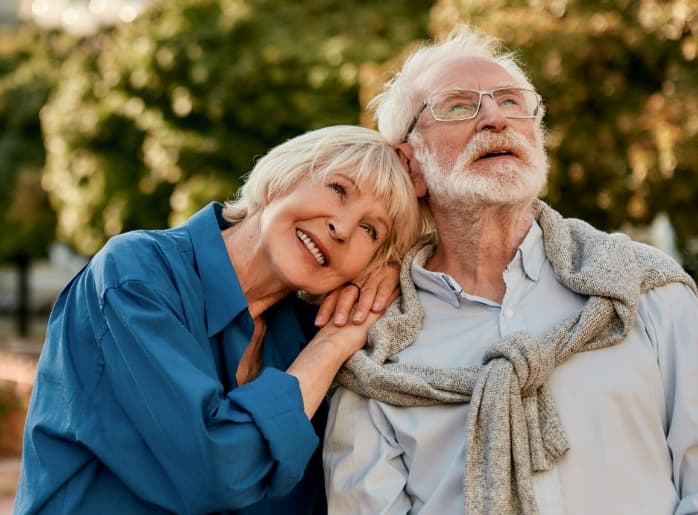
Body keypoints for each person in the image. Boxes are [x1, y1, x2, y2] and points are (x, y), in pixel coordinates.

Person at [323, 25, 698, 515]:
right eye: (458, 106)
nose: (495, 119)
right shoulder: (376, 343)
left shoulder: (645, 288)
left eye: (513, 102)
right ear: (410, 165)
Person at [15, 125, 421, 514]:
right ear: (283, 177)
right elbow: (216, 469)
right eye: (337, 189)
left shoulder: (301, 331)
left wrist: (394, 274)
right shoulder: (135, 277)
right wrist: (332, 346)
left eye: (371, 231)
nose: (342, 228)